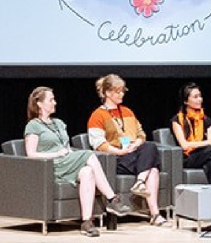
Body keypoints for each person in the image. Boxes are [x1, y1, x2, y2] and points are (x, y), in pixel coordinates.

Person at [23, 86, 132, 238]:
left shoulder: (59, 123)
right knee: (89, 155)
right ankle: (112, 199)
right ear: (39, 104)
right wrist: (56, 154)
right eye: (51, 100)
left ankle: (86, 222)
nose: (55, 103)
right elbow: (30, 154)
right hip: (51, 166)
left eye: (54, 99)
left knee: (88, 172)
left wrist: (68, 153)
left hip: (67, 162)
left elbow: (66, 146)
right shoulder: (33, 125)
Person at [86, 74, 166, 227]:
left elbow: (141, 134)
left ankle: (154, 213)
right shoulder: (97, 115)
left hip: (134, 155)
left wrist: (136, 144)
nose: (121, 94)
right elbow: (98, 144)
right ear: (107, 93)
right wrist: (120, 152)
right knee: (152, 166)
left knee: (150, 152)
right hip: (116, 158)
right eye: (118, 91)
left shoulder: (128, 112)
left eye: (122, 91)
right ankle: (142, 187)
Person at [171, 82, 211, 184]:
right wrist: (208, 143)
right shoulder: (177, 120)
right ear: (185, 101)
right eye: (195, 97)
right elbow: (184, 145)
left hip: (204, 154)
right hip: (187, 157)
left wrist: (209, 143)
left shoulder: (206, 120)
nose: (200, 99)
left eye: (200, 96)